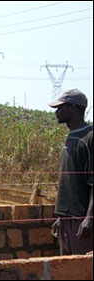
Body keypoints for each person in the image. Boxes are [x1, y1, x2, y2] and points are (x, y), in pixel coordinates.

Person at [49, 89, 93, 255]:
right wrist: (62, 215)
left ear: (73, 108)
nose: (57, 112)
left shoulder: (89, 137)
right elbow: (69, 181)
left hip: (81, 219)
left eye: (61, 107)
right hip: (67, 218)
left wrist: (89, 218)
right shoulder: (72, 137)